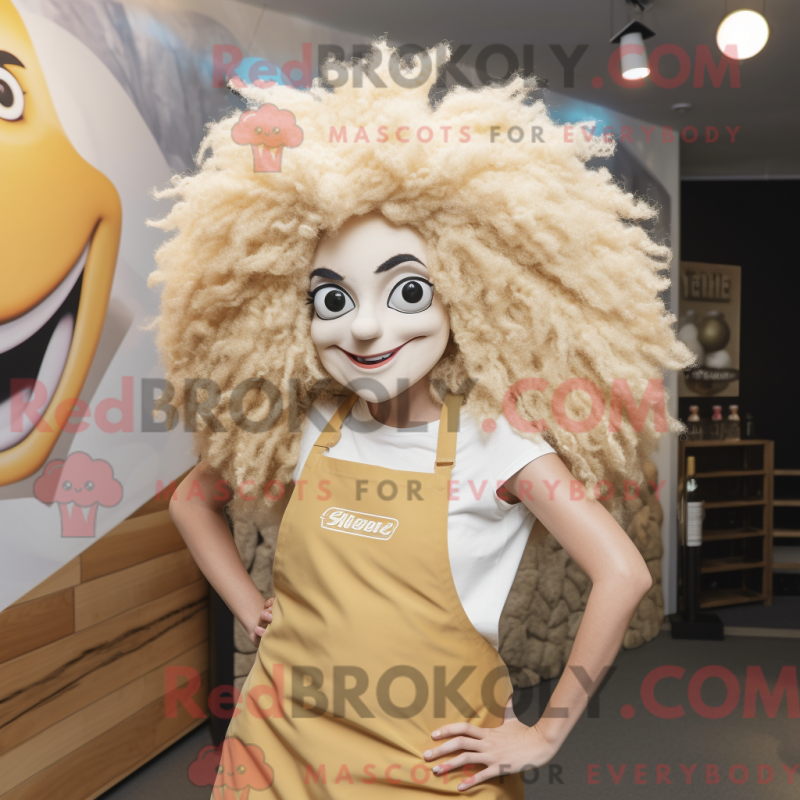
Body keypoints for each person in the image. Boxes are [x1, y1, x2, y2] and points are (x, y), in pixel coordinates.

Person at [150, 39, 694, 797]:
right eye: (333, 300)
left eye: (407, 292)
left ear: (468, 293)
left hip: (429, 765)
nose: (366, 328)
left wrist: (545, 732)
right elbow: (190, 501)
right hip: (276, 747)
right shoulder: (308, 422)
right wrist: (251, 608)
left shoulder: (498, 441)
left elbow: (622, 572)